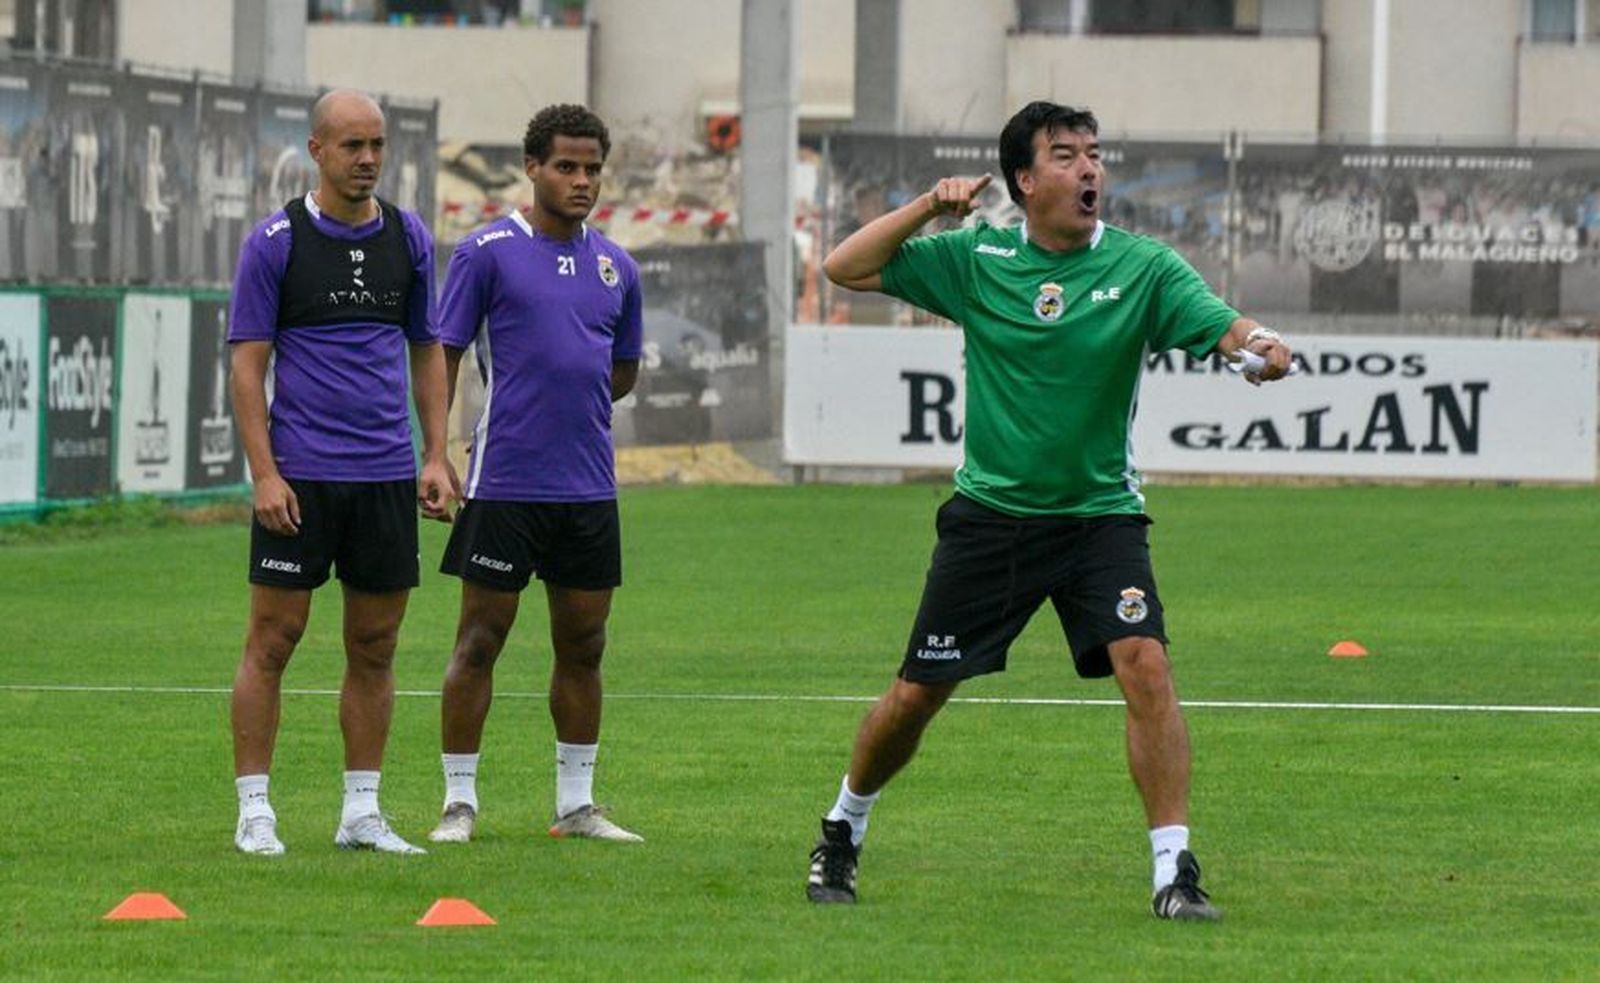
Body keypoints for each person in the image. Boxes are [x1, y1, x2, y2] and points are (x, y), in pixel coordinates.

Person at [805, 101, 1293, 919]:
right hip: (991, 518)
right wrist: (931, 206)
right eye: (1065, 156)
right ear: (1025, 181)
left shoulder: (1144, 267)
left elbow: (1226, 326)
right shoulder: (976, 256)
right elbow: (843, 267)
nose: (1089, 169)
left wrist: (1262, 347)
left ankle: (1174, 871)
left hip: (1101, 517)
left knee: (1146, 662)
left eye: (1094, 154)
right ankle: (842, 827)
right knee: (917, 695)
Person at [228, 88, 454, 856]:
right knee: (274, 638)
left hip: (385, 474)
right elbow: (247, 367)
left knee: (376, 644)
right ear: (317, 151)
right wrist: (264, 472)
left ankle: (362, 810)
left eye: (378, 146)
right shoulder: (275, 242)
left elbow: (427, 350)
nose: (368, 161)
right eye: (352, 146)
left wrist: (434, 453)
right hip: (302, 476)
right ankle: (255, 808)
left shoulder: (410, 237)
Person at [426, 104, 645, 845]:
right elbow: (444, 353)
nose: (581, 180)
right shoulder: (486, 252)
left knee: (584, 645)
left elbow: (620, 370)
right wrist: (439, 453)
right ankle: (459, 801)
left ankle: (576, 803)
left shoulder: (620, 265)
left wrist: (567, 398)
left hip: (588, 488)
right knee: (480, 639)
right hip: (504, 483)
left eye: (592, 169)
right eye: (566, 166)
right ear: (532, 167)